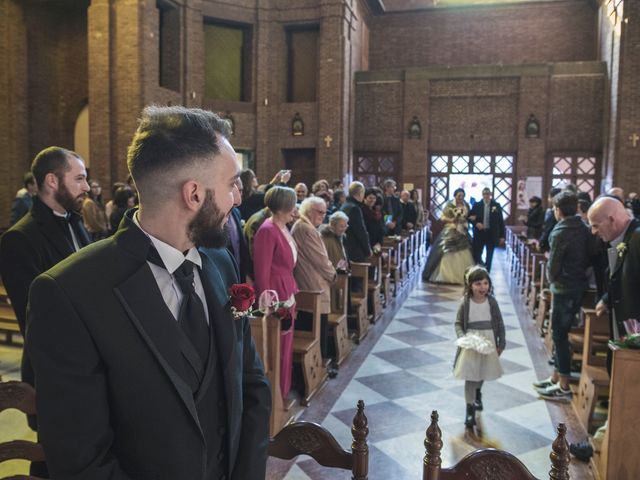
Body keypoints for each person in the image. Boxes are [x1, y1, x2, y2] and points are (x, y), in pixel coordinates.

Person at [25, 106, 271, 480]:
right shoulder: (68, 292)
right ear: (193, 194)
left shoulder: (220, 263)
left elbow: (251, 387)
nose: (237, 199)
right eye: (231, 185)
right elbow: (82, 461)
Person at [0, 146, 92, 477]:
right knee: (53, 461)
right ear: (52, 181)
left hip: (89, 368)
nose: (87, 187)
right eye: (79, 178)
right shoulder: (20, 239)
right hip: (54, 372)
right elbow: (36, 320)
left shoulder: (76, 223)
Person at [534, 191, 591, 401]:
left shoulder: (561, 231)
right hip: (579, 285)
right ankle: (555, 376)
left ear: (558, 210)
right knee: (561, 333)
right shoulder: (584, 229)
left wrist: (551, 278)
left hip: (564, 287)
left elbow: (553, 266)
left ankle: (564, 384)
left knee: (559, 334)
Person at [253, 186, 299, 400]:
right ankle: (277, 397)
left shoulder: (282, 226)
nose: (295, 210)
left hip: (287, 289)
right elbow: (261, 271)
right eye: (292, 205)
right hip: (276, 295)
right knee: (278, 347)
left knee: (286, 346)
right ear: (283, 207)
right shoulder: (267, 230)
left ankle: (284, 391)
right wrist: (267, 304)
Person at [453, 266, 505, 429]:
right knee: (470, 375)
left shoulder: (492, 302)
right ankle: (469, 409)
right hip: (471, 342)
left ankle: (477, 393)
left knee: (482, 371)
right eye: (478, 284)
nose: (483, 287)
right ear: (470, 286)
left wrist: (500, 343)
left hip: (488, 341)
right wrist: (463, 338)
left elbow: (500, 324)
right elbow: (458, 323)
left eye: (485, 283)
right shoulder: (465, 303)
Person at [292, 197, 339, 376]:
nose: (323, 216)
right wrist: (333, 275)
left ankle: (318, 368)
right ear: (309, 211)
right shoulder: (305, 228)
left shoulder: (306, 226)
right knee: (314, 330)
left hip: (313, 284)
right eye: (320, 212)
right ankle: (314, 372)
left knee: (318, 328)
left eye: (325, 212)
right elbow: (320, 258)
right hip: (312, 286)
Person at [588, 196, 640, 342]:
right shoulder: (625, 238)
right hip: (627, 334)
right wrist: (607, 299)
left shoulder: (637, 239)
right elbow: (622, 276)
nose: (593, 231)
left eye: (596, 225)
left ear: (612, 220)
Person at [422, 188, 475, 285]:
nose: (460, 198)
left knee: (466, 250)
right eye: (459, 195)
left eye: (462, 196)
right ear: (455, 196)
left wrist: (466, 220)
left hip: (462, 230)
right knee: (444, 250)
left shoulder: (466, 205)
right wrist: (452, 220)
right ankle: (445, 274)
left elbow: (467, 216)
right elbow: (442, 217)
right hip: (451, 228)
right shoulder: (449, 205)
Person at [469, 187, 505, 272]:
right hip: (479, 233)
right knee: (477, 252)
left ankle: (487, 270)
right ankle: (479, 268)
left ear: (490, 195)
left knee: (490, 253)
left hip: (491, 233)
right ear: (482, 195)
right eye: (484, 194)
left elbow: (501, 222)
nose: (486, 196)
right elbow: (469, 218)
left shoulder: (496, 206)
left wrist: (502, 236)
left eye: (488, 194)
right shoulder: (477, 205)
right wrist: (476, 223)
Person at [341, 181, 372, 263]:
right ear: (360, 193)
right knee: (359, 274)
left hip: (346, 246)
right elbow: (360, 231)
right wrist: (368, 250)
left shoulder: (345, 205)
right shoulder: (354, 208)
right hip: (354, 248)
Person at [538, 187, 562, 252]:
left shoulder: (553, 213)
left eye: (549, 197)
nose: (548, 199)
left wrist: (541, 242)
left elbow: (548, 229)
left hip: (550, 245)